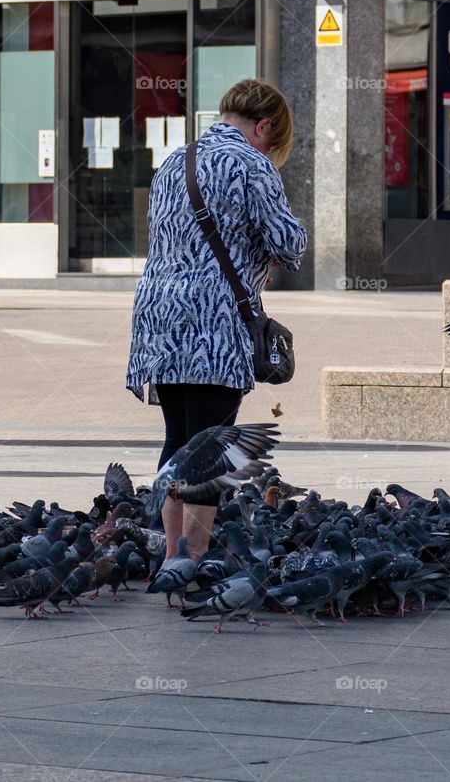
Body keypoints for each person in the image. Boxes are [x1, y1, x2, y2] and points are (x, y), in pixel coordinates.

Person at [126, 79, 307, 562]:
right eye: (273, 138)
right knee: (210, 449)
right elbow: (288, 245)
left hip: (159, 317)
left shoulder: (172, 162)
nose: (270, 147)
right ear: (263, 126)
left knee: (178, 440)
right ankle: (193, 557)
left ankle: (171, 557)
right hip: (214, 321)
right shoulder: (251, 164)